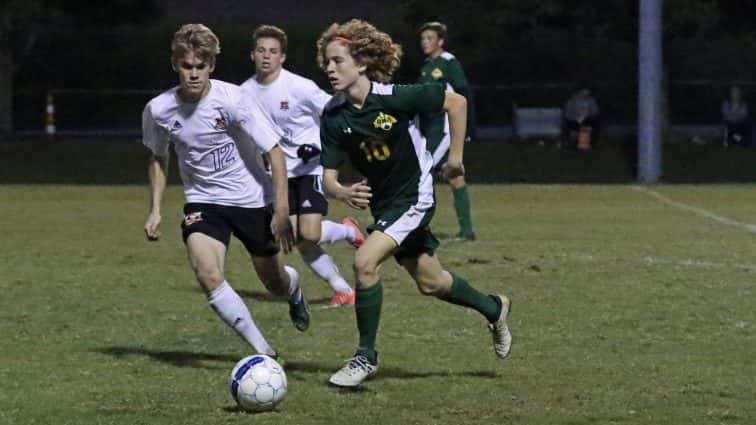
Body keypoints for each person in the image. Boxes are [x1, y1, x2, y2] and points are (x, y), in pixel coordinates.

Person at [315, 19, 513, 388]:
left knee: (364, 261)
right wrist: (341, 191)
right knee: (432, 283)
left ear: (361, 63)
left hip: (414, 196)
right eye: (327, 62)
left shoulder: (396, 97)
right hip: (385, 205)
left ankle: (365, 356)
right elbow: (327, 177)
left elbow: (456, 102)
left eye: (338, 60)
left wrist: (455, 158)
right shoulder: (333, 115)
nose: (330, 68)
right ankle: (494, 307)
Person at [141, 23, 310, 360]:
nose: (193, 74)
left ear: (211, 66)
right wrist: (155, 208)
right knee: (208, 273)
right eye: (187, 66)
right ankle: (264, 353)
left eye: (200, 66)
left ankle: (294, 290)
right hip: (204, 202)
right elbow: (158, 157)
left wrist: (280, 209)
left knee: (274, 283)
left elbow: (274, 152)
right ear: (175, 64)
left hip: (252, 201)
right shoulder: (158, 110)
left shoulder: (233, 99)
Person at [241, 25, 365, 308]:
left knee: (308, 233)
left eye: (273, 51)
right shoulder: (244, 93)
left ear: (282, 57)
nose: (266, 56)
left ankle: (348, 231)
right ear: (252, 55)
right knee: (300, 239)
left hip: (310, 168)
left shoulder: (299, 87)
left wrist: (322, 146)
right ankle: (344, 289)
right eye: (261, 50)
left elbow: (333, 111)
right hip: (277, 176)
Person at [416, 22, 477, 241]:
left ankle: (418, 227)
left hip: (444, 129)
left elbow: (462, 93)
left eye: (430, 38)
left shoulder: (449, 63)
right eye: (423, 39)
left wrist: (468, 127)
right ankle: (467, 231)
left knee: (421, 171)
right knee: (454, 176)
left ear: (440, 41)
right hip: (430, 129)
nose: (425, 42)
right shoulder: (426, 66)